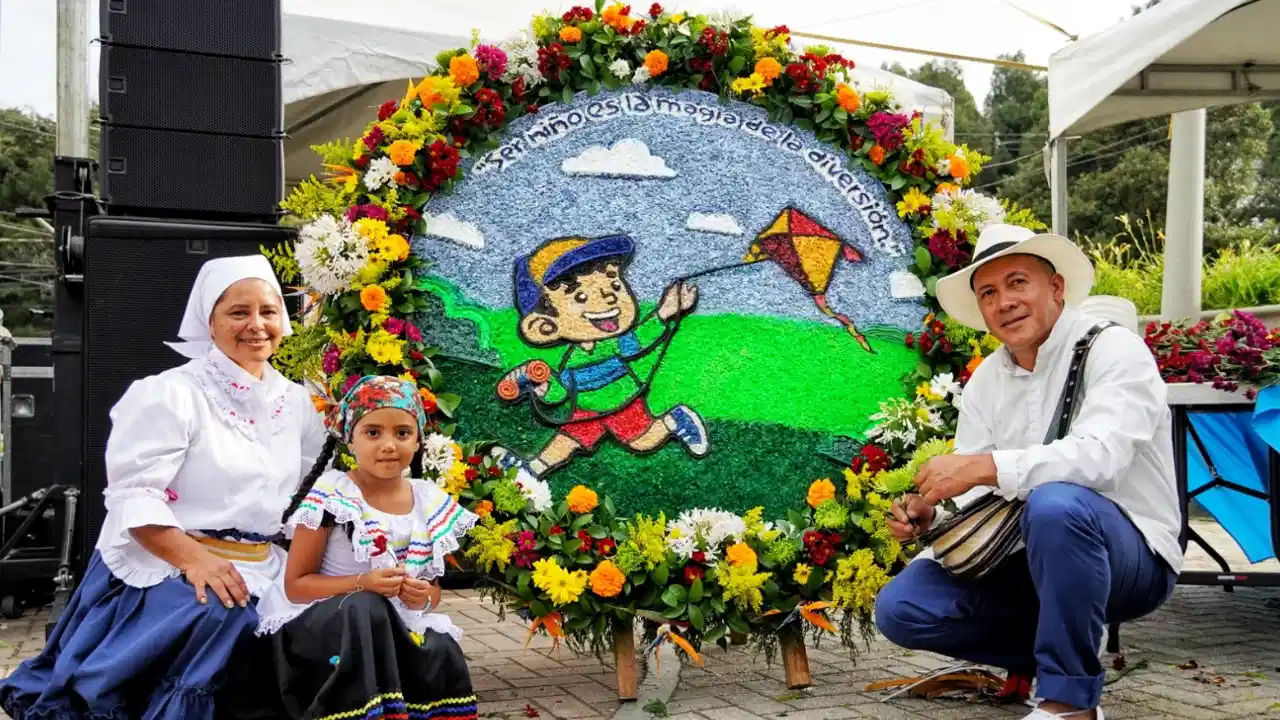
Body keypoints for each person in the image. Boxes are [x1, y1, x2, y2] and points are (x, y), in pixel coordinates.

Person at [873, 224, 1182, 720]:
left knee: (1057, 503)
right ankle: (1045, 654)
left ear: (1056, 288)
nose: (1004, 302)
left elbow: (1101, 458)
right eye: (989, 293)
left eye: (1018, 282)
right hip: (1027, 558)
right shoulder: (986, 382)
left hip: (1132, 558)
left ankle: (1070, 701)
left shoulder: (1113, 349)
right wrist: (936, 518)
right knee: (903, 607)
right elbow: (981, 497)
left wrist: (986, 466)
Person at [0, 255, 327, 720]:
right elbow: (134, 494)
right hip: (170, 558)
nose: (256, 325)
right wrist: (195, 560)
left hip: (263, 562)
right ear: (208, 323)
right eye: (238, 312)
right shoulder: (171, 393)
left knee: (320, 619)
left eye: (268, 312)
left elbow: (311, 492)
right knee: (222, 615)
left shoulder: (295, 401)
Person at [229, 375, 479, 720]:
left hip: (387, 626)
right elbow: (296, 585)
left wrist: (421, 596)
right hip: (320, 629)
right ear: (349, 439)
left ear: (419, 440)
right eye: (372, 432)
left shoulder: (426, 500)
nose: (389, 445)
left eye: (402, 433)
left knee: (441, 643)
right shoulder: (331, 497)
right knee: (366, 606)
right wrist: (364, 583)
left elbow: (433, 591)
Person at [500, 234, 708, 476]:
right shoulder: (574, 358)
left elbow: (640, 338)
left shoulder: (616, 344)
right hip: (587, 408)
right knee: (566, 441)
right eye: (581, 296)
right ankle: (531, 469)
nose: (610, 298)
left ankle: (675, 420)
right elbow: (565, 387)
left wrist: (666, 311)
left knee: (642, 441)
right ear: (545, 326)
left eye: (615, 286)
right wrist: (544, 389)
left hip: (621, 404)